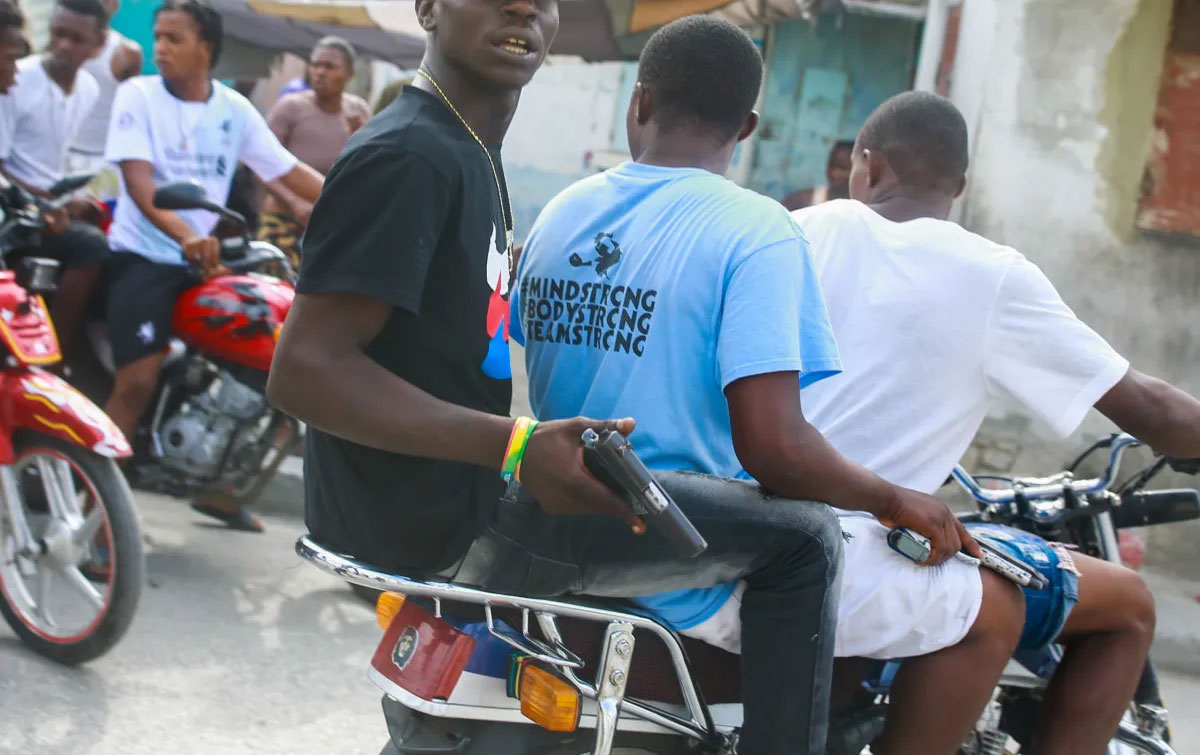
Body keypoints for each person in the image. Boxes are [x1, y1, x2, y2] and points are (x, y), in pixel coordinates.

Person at [267, 8, 844, 755]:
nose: (523, 8)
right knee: (807, 538)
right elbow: (305, 371)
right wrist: (517, 445)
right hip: (461, 520)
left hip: (456, 504)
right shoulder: (411, 154)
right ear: (429, 9)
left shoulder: (476, 155)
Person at [660, 92, 1200, 755]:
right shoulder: (995, 275)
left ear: (867, 166)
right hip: (853, 550)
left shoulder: (794, 229)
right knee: (1128, 605)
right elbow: (1150, 409)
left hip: (732, 533)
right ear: (960, 187)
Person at [510, 16, 994, 752]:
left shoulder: (560, 212)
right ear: (749, 126)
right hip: (681, 556)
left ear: (639, 103)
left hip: (560, 524)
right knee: (810, 540)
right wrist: (893, 497)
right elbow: (774, 446)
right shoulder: (758, 228)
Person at [103, 0, 322, 531]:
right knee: (136, 382)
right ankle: (95, 516)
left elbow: (290, 172)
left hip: (205, 261)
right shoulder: (138, 95)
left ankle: (223, 487)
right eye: (159, 36)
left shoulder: (233, 109)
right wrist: (185, 236)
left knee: (270, 344)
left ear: (206, 49)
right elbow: (141, 185)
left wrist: (368, 202)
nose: (161, 48)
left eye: (174, 38)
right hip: (144, 256)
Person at [1, 0, 112, 356]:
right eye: (58, 34)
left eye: (76, 38)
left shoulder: (89, 89)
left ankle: (60, 355)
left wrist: (65, 200)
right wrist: (45, 204)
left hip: (42, 203)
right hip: (19, 206)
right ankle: (50, 356)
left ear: (98, 44)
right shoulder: (19, 81)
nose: (64, 45)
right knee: (89, 245)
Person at [257, 36, 370, 267]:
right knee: (279, 293)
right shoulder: (289, 108)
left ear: (349, 74)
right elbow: (261, 164)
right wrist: (295, 203)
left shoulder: (358, 111)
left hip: (334, 225)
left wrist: (364, 136)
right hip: (285, 221)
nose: (319, 72)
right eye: (316, 64)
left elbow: (370, 172)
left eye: (330, 67)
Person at [67, 0, 141, 199]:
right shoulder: (62, 44)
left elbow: (131, 110)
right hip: (62, 156)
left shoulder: (126, 53)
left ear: (115, 5)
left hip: (104, 161)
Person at [781, 139, 852, 211]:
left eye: (843, 168)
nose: (834, 173)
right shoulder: (801, 202)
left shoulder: (861, 208)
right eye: (831, 165)